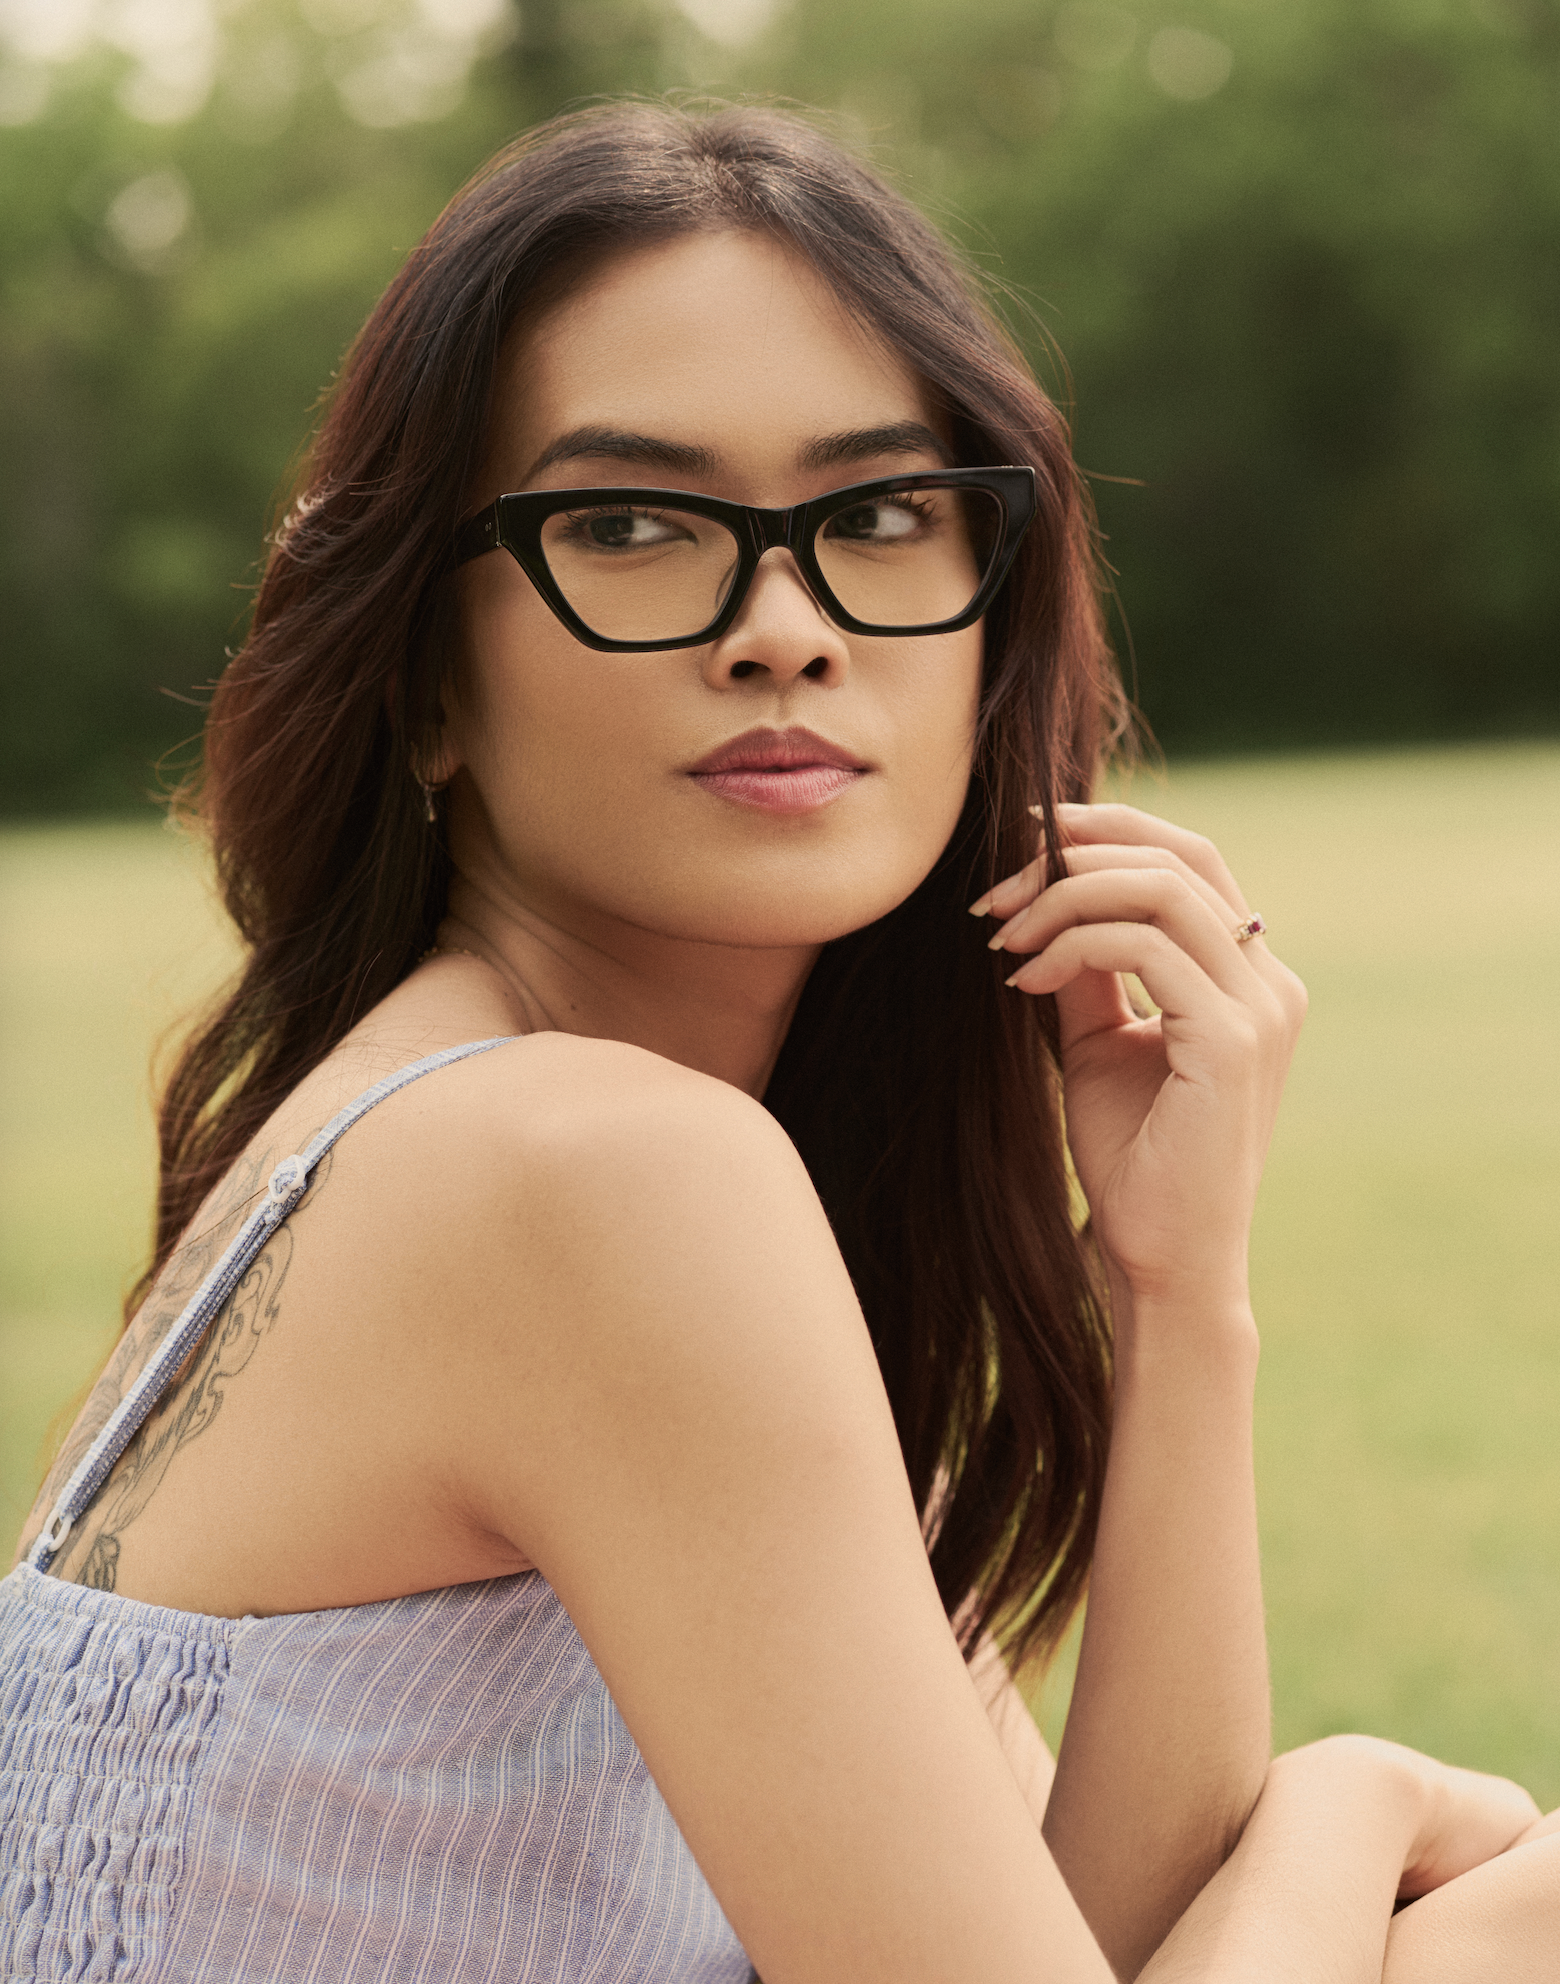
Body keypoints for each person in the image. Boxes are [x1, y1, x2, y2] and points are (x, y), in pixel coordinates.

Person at [1, 102, 1554, 1984]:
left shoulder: (614, 1161)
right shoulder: (583, 1178)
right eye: (633, 524)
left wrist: (1182, 1292)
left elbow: (1090, 1940)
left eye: (882, 515)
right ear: (424, 684)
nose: (784, 625)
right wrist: (1362, 1799)